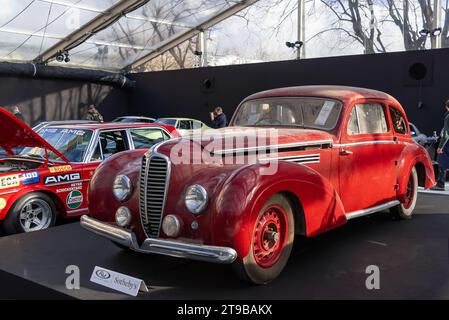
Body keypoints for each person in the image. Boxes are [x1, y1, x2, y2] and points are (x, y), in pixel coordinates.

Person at [435, 100, 449, 190]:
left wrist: (440, 147)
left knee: (442, 162)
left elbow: (446, 133)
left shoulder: (448, 116)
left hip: (447, 143)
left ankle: (440, 184)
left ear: (447, 107)